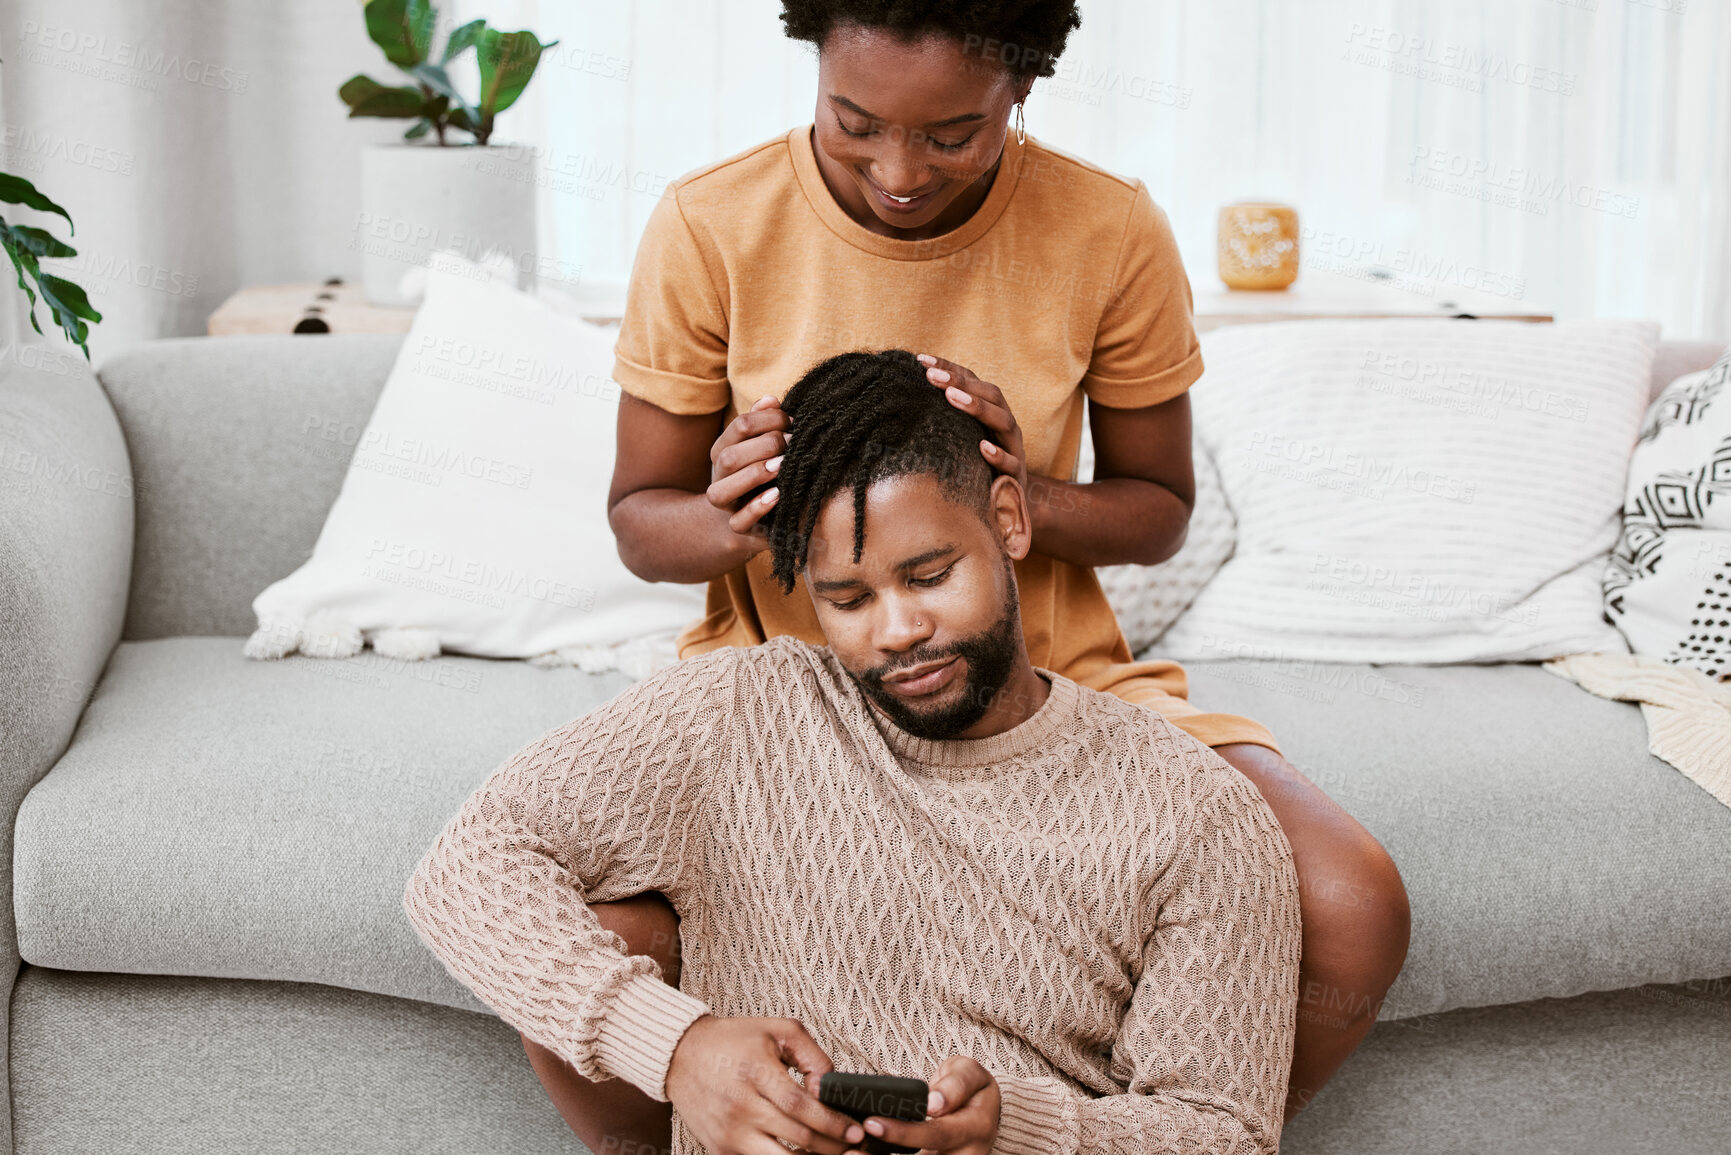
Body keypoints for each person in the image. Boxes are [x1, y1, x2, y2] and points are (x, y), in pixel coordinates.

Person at [591, 0, 1410, 1142]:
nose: (898, 173)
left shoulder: (1106, 227)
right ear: (813, 72)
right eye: (854, 124)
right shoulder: (711, 222)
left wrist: (1016, 487)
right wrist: (742, 518)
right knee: (599, 939)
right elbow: (641, 522)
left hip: (1047, 674)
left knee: (1350, 900)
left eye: (952, 134)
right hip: (793, 690)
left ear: (1022, 89)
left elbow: (1158, 509)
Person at [406, 350, 1302, 1155]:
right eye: (847, 597)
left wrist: (1016, 1131)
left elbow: (1219, 1130)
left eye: (929, 575)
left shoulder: (1194, 808)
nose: (900, 630)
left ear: (1007, 521)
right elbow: (467, 864)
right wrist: (675, 1048)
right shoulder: (741, 711)